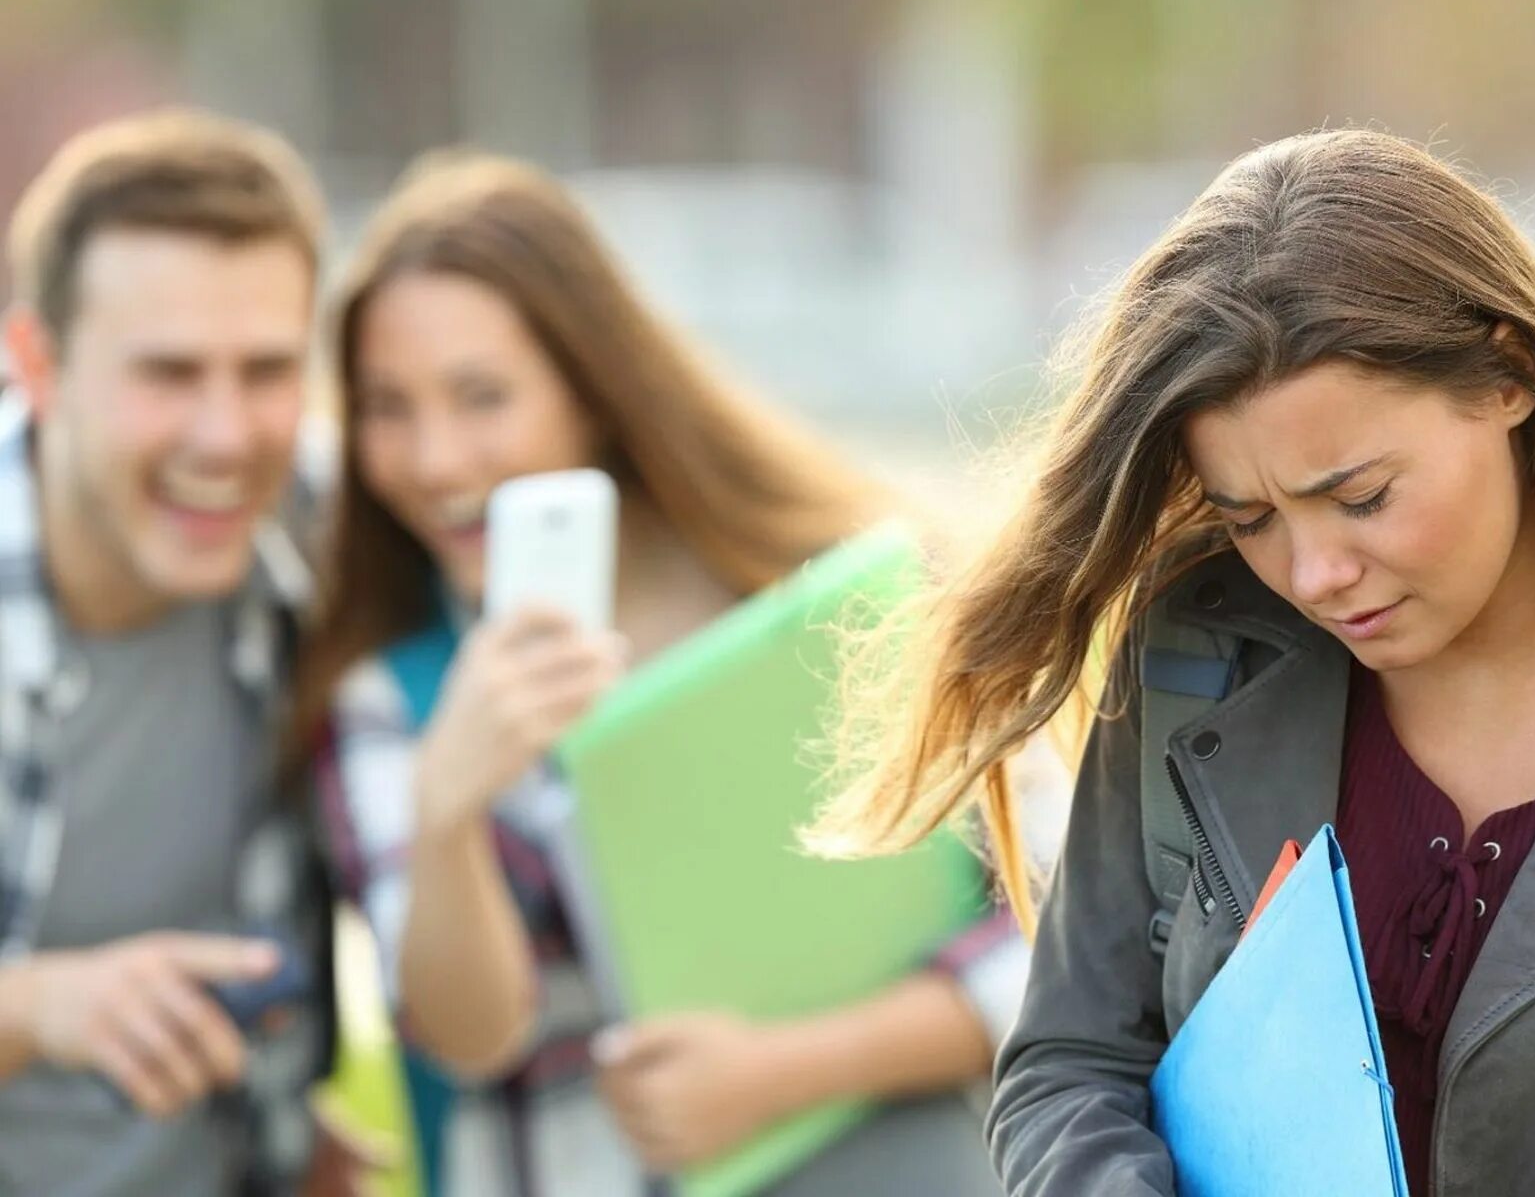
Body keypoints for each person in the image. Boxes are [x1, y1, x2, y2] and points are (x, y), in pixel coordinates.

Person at [809, 127, 1535, 1197]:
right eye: (1250, 517)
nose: (1314, 573)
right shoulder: (1195, 646)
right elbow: (1072, 1062)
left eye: (1360, 497)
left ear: (1508, 374)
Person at [293, 150, 1032, 1195]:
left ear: (590, 391)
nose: (434, 459)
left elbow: (1038, 945)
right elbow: (464, 1036)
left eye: (481, 397)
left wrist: (772, 1075)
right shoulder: (390, 694)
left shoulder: (817, 604)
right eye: (386, 407)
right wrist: (448, 805)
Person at [0, 109, 383, 1195]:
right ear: (38, 363)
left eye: (267, 372)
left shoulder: (329, 534)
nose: (226, 436)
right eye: (168, 374)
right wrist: (37, 1007)